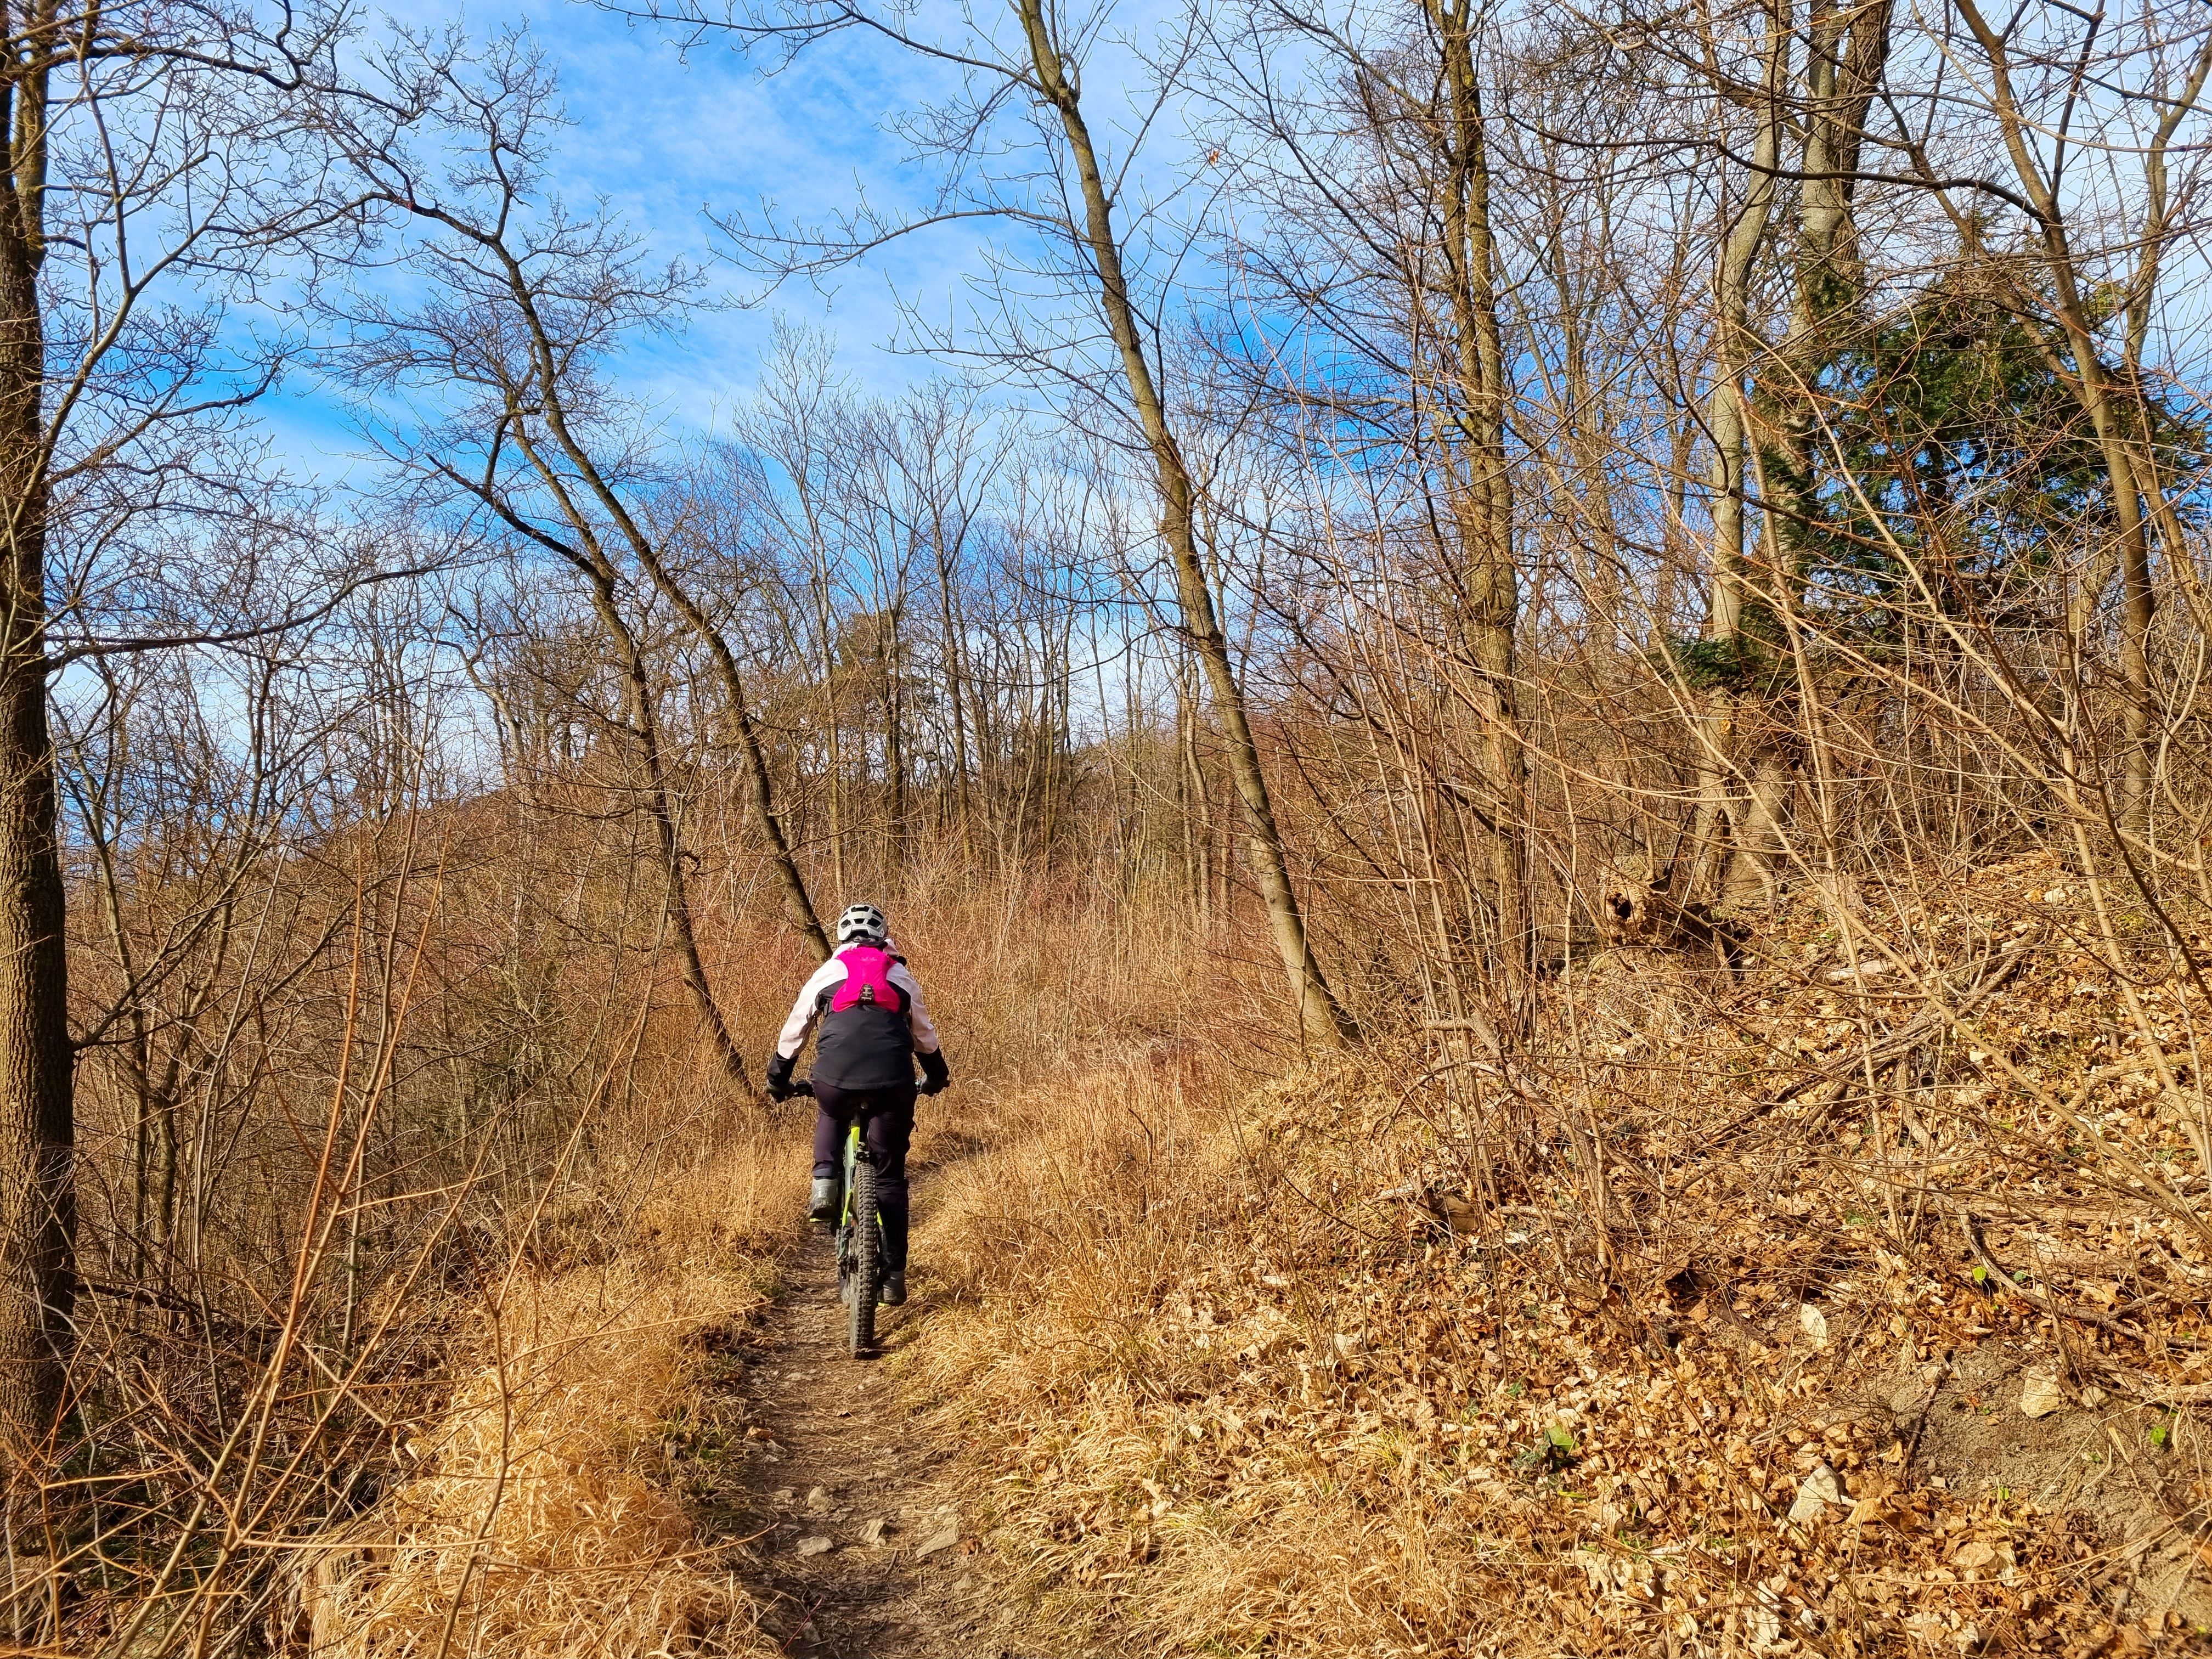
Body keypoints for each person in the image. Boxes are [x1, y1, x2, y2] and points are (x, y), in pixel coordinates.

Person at [764, 902, 949, 1307]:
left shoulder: (829, 972)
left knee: (831, 1109)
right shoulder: (900, 976)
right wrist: (937, 1076)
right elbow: (925, 1037)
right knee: (890, 1178)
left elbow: (795, 1029)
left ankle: (824, 1184)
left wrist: (778, 1078)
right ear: (884, 937)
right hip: (893, 1082)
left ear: (841, 937)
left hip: (836, 1076)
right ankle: (894, 1277)